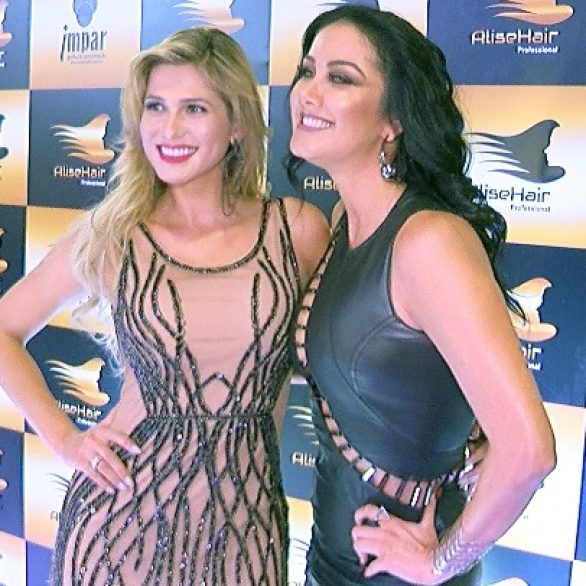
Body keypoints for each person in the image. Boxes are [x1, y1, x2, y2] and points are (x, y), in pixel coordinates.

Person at [0, 27, 329, 585]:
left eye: (194, 108)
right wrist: (65, 438)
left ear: (237, 124)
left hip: (246, 535)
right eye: (156, 106)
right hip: (119, 527)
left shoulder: (296, 229)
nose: (169, 129)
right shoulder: (114, 234)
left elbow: (351, 351)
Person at [288, 6, 556, 585]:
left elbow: (529, 451)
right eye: (307, 71)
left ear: (393, 120)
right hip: (330, 563)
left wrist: (439, 564)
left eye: (340, 78)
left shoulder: (427, 241)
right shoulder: (344, 222)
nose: (309, 91)